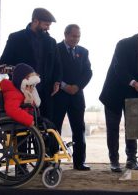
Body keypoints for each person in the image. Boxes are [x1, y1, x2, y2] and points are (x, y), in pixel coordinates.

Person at [99, 27, 138, 172]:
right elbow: (119, 69)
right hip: (114, 92)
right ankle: (114, 161)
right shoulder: (123, 44)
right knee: (113, 128)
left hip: (134, 94)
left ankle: (131, 159)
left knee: (133, 128)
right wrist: (134, 83)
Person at [0, 7, 61, 121]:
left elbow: (57, 65)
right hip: (22, 91)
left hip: (46, 93)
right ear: (35, 21)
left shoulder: (52, 42)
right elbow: (3, 63)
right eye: (46, 25)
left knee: (47, 128)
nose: (48, 28)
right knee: (23, 129)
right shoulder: (16, 38)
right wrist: (21, 74)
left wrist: (57, 81)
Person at [53, 24, 93, 171]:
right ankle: (53, 161)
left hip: (77, 95)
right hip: (58, 95)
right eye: (73, 36)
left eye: (78, 36)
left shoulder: (83, 52)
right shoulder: (55, 49)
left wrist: (77, 87)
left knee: (79, 128)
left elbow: (88, 72)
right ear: (66, 34)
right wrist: (64, 86)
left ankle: (79, 162)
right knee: (54, 128)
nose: (76, 39)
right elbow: (51, 70)